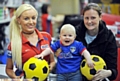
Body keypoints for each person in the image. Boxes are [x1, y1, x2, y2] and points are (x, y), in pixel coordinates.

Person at [5, 4, 55, 80]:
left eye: (33, 18)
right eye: (26, 19)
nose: (31, 22)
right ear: (19, 20)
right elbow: (8, 69)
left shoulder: (46, 37)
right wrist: (16, 78)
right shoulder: (14, 44)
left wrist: (49, 67)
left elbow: (52, 61)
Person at [75, 3, 118, 81]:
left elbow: (113, 70)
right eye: (86, 18)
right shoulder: (75, 34)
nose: (89, 21)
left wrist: (108, 72)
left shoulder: (109, 37)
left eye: (93, 18)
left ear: (100, 17)